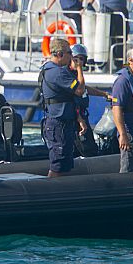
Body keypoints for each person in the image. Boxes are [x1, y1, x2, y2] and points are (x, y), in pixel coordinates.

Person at [40, 38, 86, 177]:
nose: (71, 57)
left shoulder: (47, 69)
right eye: (69, 53)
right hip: (58, 123)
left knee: (65, 162)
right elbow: (80, 90)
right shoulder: (58, 72)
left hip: (61, 120)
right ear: (60, 54)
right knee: (58, 164)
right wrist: (79, 69)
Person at [69, 44, 110, 157]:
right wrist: (79, 69)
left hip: (82, 115)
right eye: (77, 59)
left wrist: (103, 94)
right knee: (82, 147)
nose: (79, 62)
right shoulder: (68, 75)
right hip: (75, 117)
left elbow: (84, 88)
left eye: (82, 59)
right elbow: (80, 90)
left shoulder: (76, 75)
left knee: (90, 147)